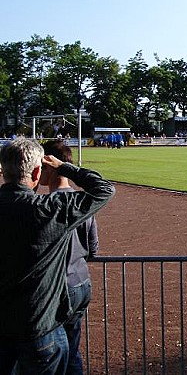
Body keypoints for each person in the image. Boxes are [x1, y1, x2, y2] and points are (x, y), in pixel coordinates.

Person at [0, 138, 115, 375]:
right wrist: (64, 167)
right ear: (37, 171)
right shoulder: (48, 209)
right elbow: (104, 189)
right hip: (40, 328)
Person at [41, 140, 99, 375]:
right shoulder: (83, 201)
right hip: (81, 282)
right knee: (73, 352)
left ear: (51, 165)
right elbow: (93, 247)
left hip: (57, 287)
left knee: (52, 354)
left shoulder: (44, 205)